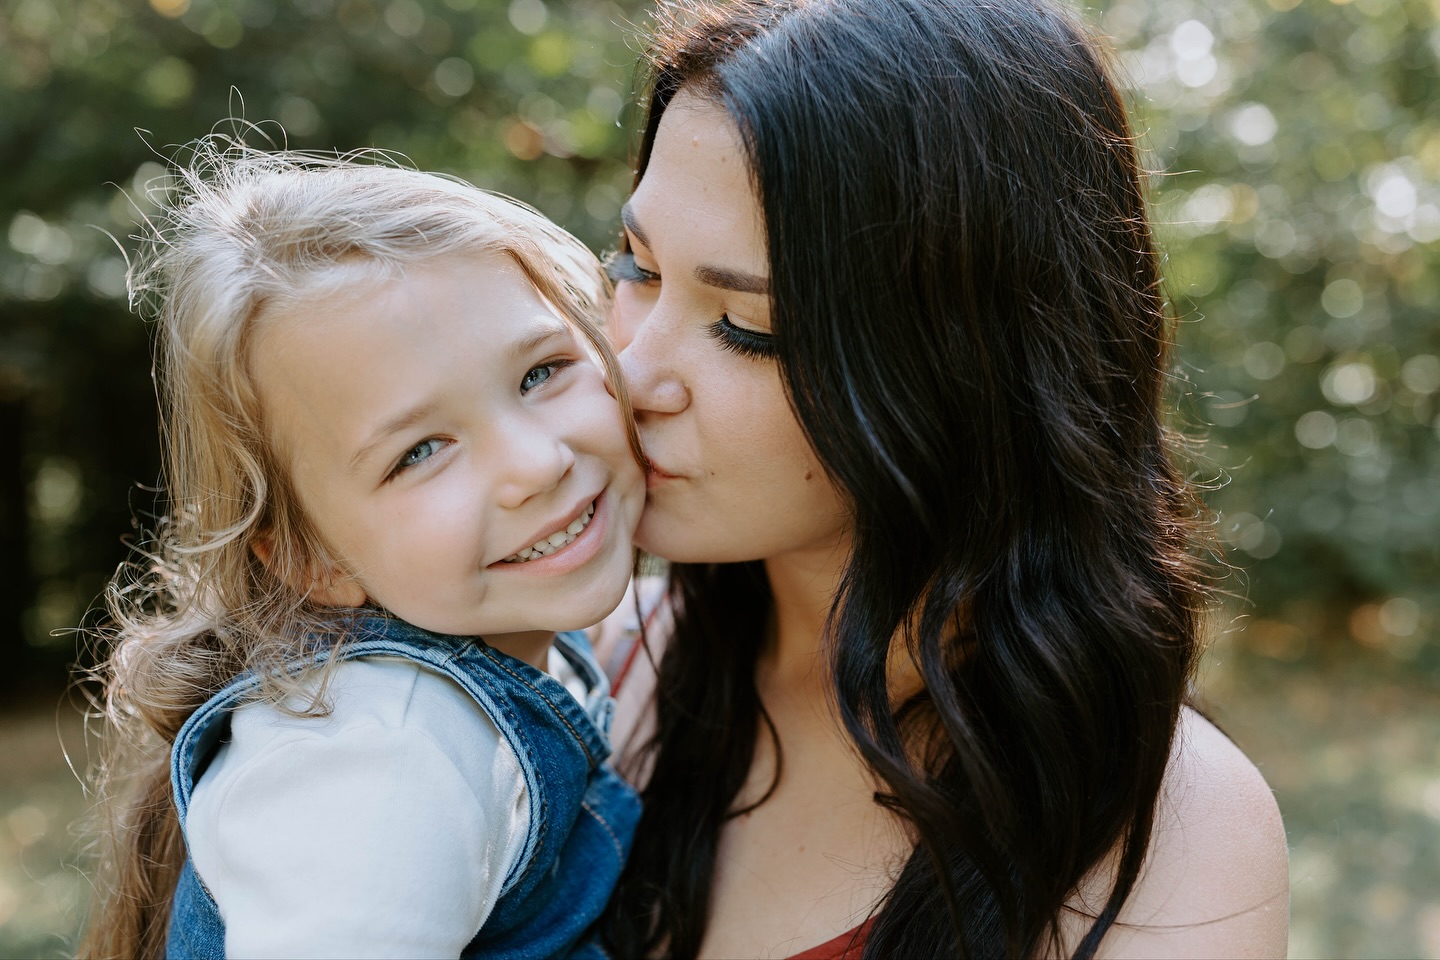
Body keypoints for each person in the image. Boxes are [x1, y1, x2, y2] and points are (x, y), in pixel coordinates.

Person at [595, 0, 1290, 957]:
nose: (630, 373)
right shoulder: (604, 664)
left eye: (750, 326)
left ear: (968, 363)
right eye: (635, 266)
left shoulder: (1169, 832)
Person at [79, 147, 646, 959]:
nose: (537, 463)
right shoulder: (385, 758)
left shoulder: (511, 638)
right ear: (315, 561)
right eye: (420, 451)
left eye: (541, 372)